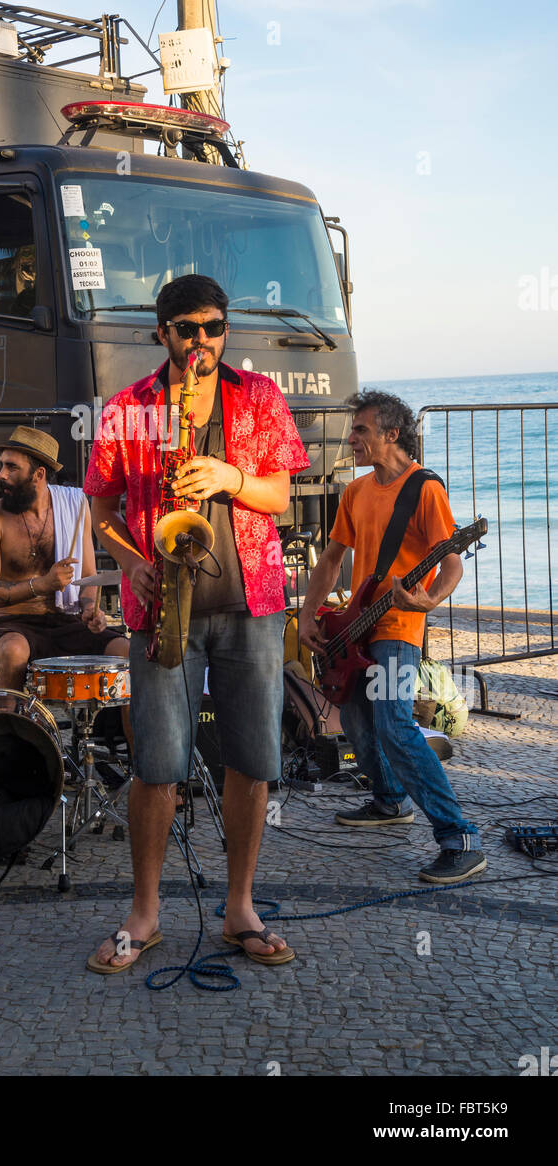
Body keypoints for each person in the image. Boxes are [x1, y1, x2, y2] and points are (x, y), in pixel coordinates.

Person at [83, 274, 309, 973]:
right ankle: (143, 914)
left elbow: (279, 495)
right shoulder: (128, 409)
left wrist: (230, 479)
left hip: (251, 606)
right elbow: (100, 512)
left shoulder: (260, 398)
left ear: (223, 330)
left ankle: (239, 906)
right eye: (186, 328)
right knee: (156, 766)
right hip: (162, 607)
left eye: (212, 326)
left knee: (250, 759)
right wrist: (131, 564)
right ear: (162, 334)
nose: (201, 340)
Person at [299, 390, 485, 883]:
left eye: (360, 429)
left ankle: (459, 837)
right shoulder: (356, 493)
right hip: (357, 627)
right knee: (358, 720)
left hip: (399, 627)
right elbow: (332, 560)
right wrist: (307, 615)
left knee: (396, 726)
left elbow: (450, 561)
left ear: (391, 434)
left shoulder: (424, 489)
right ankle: (388, 801)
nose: (352, 438)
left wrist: (429, 601)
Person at [0, 428, 130, 720]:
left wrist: (88, 608)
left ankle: (134, 757)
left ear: (38, 474)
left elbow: (89, 576)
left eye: (12, 467)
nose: (1, 475)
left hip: (66, 622)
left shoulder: (75, 505)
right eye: (1, 465)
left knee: (125, 651)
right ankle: (0, 735)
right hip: (13, 624)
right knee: (15, 651)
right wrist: (41, 585)